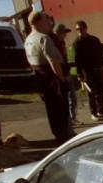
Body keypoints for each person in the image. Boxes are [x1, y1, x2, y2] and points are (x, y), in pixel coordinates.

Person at [24, 10, 71, 145]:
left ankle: (59, 136)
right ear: (38, 21)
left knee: (51, 110)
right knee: (61, 111)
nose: (48, 22)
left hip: (41, 80)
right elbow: (53, 62)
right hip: (52, 79)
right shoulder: (43, 38)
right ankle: (64, 138)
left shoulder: (27, 40)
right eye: (46, 20)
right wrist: (62, 80)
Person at [72, 21, 103, 120]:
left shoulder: (94, 40)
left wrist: (102, 64)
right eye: (77, 29)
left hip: (96, 69)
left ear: (86, 28)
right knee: (91, 92)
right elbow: (77, 59)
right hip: (86, 71)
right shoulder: (77, 43)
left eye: (81, 28)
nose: (79, 31)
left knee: (99, 91)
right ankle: (93, 113)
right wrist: (79, 74)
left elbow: (102, 52)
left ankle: (100, 110)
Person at [52, 23, 79, 125]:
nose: (66, 35)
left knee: (72, 97)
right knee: (69, 97)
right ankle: (69, 119)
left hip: (66, 72)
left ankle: (72, 118)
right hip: (62, 74)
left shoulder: (61, 43)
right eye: (64, 33)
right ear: (58, 33)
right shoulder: (55, 44)